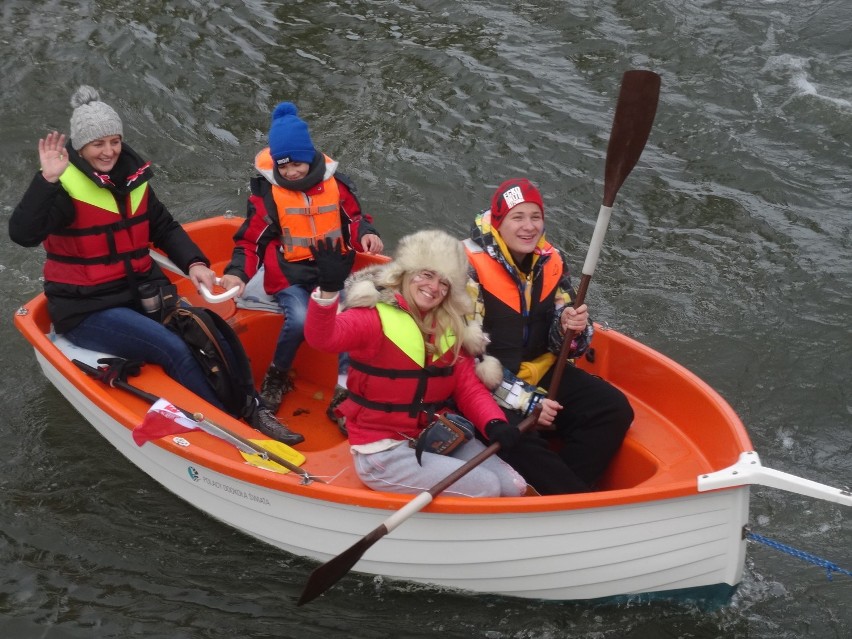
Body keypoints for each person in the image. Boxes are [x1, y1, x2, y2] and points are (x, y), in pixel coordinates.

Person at [8, 85, 303, 446]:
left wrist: (195, 263)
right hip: (86, 308)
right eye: (98, 144)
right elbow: (22, 233)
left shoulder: (132, 180)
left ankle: (253, 408)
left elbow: (163, 226)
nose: (108, 151)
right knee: (171, 347)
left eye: (114, 141)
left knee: (210, 329)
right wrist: (47, 179)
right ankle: (229, 428)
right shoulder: (63, 186)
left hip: (140, 293)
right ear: (81, 148)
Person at [302, 230, 527, 497]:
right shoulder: (373, 318)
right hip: (382, 451)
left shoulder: (448, 326)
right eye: (426, 275)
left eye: (444, 282)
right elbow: (322, 339)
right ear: (406, 273)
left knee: (515, 486)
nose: (434, 288)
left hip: (433, 435)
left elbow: (468, 388)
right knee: (487, 486)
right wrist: (328, 291)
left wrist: (494, 423)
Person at [463, 178, 634, 494]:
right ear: (499, 223)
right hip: (484, 386)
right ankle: (570, 496)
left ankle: (567, 491)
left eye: (535, 217)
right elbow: (467, 360)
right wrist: (530, 402)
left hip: (539, 372)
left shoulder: (551, 261)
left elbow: (567, 345)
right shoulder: (468, 269)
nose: (529, 227)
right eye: (518, 217)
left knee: (612, 408)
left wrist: (571, 326)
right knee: (518, 439)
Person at [220, 101, 383, 431]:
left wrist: (366, 234)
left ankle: (344, 391)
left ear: (309, 157)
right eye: (284, 166)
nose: (291, 171)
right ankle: (278, 375)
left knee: (355, 317)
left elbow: (355, 219)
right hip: (289, 276)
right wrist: (238, 273)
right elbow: (251, 241)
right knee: (300, 319)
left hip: (332, 272)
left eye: (296, 163)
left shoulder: (339, 186)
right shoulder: (266, 195)